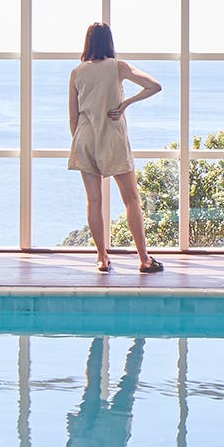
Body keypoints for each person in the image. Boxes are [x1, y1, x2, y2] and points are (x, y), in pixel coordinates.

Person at [68, 21, 164, 274]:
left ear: (87, 43)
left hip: (86, 137)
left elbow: (73, 117)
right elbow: (154, 86)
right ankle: (143, 259)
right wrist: (125, 103)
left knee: (93, 200)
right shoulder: (118, 67)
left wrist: (79, 144)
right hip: (113, 136)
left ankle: (102, 258)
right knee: (131, 199)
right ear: (110, 41)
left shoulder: (77, 72)